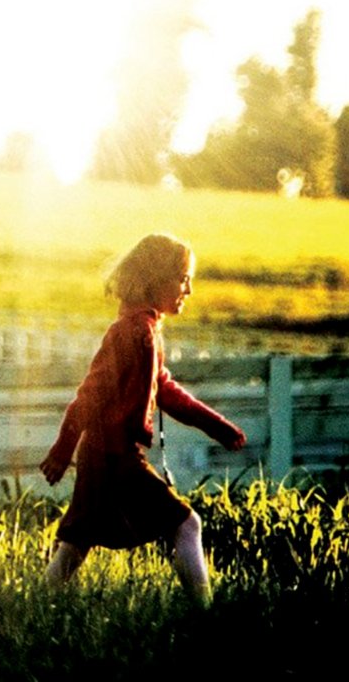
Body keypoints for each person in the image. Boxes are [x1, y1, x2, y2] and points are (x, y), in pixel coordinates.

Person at [39, 233, 246, 607]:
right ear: (156, 279)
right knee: (186, 524)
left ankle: (37, 603)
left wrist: (216, 425)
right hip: (115, 457)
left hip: (105, 455)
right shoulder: (131, 333)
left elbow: (164, 390)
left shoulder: (144, 330)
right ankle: (205, 611)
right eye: (183, 278)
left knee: (78, 542)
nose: (189, 289)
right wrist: (61, 450)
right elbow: (89, 395)